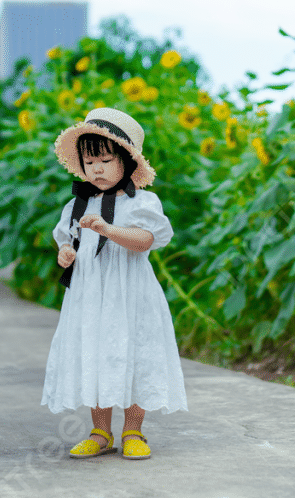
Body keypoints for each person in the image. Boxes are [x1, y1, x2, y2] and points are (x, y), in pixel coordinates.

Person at [42, 107, 188, 460]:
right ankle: (99, 431)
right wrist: (66, 251)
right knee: (96, 353)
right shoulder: (79, 203)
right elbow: (67, 238)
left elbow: (145, 240)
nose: (97, 169)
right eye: (90, 162)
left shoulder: (142, 202)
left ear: (126, 161)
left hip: (130, 294)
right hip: (91, 296)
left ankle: (134, 430)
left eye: (106, 160)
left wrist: (108, 229)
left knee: (136, 354)